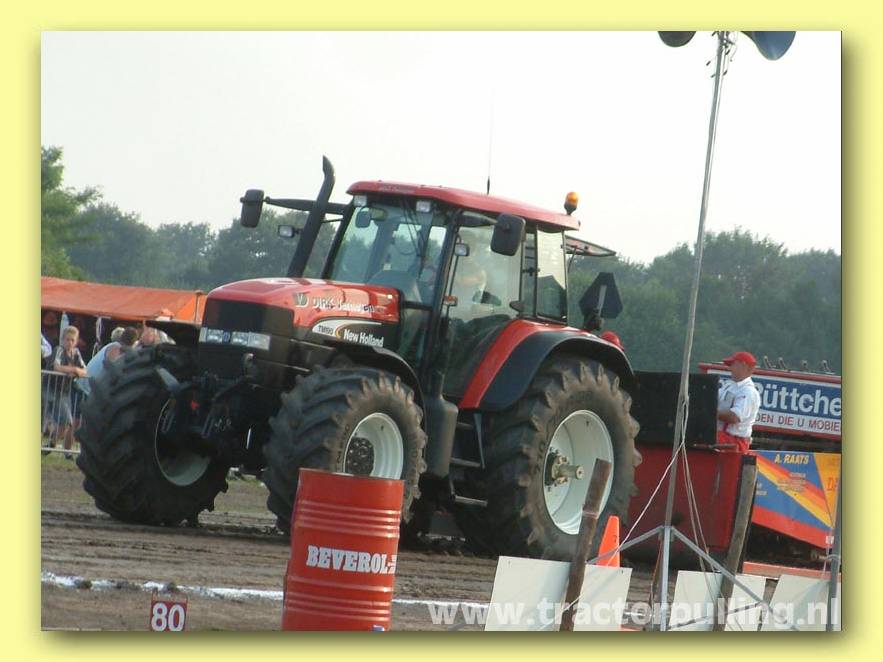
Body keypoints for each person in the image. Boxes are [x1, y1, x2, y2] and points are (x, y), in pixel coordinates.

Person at [52, 325, 87, 459]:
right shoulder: (59, 350)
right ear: (62, 339)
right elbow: (56, 367)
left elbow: (84, 370)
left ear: (76, 341)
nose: (70, 343)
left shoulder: (76, 352)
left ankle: (58, 448)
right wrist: (73, 370)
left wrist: (76, 371)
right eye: (67, 339)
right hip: (52, 390)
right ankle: (51, 446)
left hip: (64, 392)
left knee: (68, 423)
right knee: (62, 422)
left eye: (73, 340)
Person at [716, 351, 761, 453]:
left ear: (743, 365)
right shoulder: (729, 386)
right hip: (722, 438)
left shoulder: (748, 391)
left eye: (733, 365)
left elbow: (735, 417)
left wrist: (709, 413)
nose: (730, 369)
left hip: (735, 442)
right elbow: (711, 399)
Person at [83, 327, 139, 395]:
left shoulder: (114, 346)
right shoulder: (116, 348)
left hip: (89, 385)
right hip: (86, 388)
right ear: (133, 343)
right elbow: (111, 370)